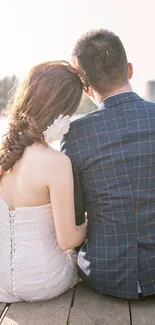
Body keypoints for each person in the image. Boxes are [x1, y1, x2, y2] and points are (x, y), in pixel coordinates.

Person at [61, 29, 155, 299]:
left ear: (86, 87)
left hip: (105, 274)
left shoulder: (75, 135)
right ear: (129, 69)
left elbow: (76, 215)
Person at [0, 61, 87, 303]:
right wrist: (89, 223)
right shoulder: (57, 162)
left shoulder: (5, 156)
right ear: (59, 114)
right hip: (44, 281)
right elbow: (67, 240)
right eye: (69, 113)